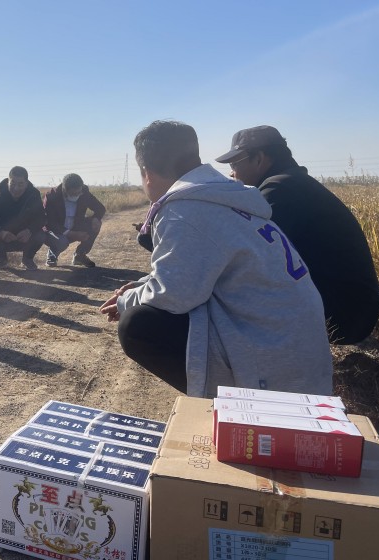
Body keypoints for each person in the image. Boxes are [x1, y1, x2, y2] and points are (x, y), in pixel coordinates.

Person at [100, 121, 332, 398]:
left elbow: (174, 296)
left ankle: (232, 402)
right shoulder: (225, 196)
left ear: (146, 173)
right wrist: (141, 286)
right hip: (301, 361)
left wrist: (126, 301)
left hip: (277, 379)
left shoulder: (183, 209)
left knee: (137, 324)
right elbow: (195, 268)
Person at [215, 125, 379, 345]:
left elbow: (245, 254)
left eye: (235, 164)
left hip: (342, 316)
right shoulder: (293, 182)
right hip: (355, 310)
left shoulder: (280, 190)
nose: (231, 172)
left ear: (259, 159)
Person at [0, 166, 47, 270]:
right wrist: (1, 232)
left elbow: (41, 218)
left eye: (20, 184)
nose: (16, 188)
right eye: (12, 183)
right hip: (3, 237)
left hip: (25, 237)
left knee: (41, 235)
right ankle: (1, 259)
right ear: (8, 182)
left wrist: (29, 231)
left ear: (26, 183)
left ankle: (27, 259)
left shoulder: (33, 194)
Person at [43, 173, 105, 267]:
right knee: (62, 241)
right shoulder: (52, 197)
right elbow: (49, 223)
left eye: (79, 192)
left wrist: (96, 218)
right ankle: (52, 254)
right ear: (65, 190)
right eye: (73, 193)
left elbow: (100, 208)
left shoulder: (84, 192)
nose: (77, 195)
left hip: (75, 226)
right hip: (57, 231)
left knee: (95, 224)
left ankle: (80, 255)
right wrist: (70, 233)